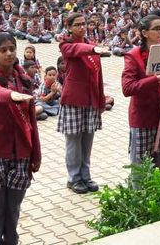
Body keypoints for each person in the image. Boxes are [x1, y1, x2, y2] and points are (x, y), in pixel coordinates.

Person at [0, 32, 41, 245]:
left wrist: (36, 153)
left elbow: (31, 122)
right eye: (3, 50)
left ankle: (11, 241)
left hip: (21, 150)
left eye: (12, 49)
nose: (9, 53)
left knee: (13, 207)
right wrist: (10, 95)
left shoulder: (24, 81)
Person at [122, 15, 160, 173]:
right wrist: (156, 79)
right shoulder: (133, 56)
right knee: (140, 167)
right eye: (156, 29)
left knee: (159, 165)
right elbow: (127, 88)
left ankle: (155, 197)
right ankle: (138, 196)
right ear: (144, 33)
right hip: (143, 117)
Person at [58, 13, 106, 194]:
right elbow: (75, 50)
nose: (82, 27)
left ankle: (86, 175)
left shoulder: (92, 47)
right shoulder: (66, 44)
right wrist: (93, 49)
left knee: (87, 140)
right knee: (73, 141)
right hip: (73, 100)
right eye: (77, 24)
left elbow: (98, 77)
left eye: (84, 24)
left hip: (91, 99)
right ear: (69, 27)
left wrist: (101, 100)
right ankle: (74, 178)